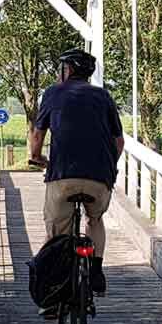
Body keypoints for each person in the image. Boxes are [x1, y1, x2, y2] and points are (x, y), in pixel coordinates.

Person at [27, 48, 125, 296]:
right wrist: (108, 167)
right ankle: (96, 272)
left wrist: (37, 157)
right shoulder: (103, 97)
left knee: (56, 232)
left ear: (67, 70)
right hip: (99, 177)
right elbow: (119, 142)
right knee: (95, 219)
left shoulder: (53, 93)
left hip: (63, 175)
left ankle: (54, 291)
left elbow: (38, 133)